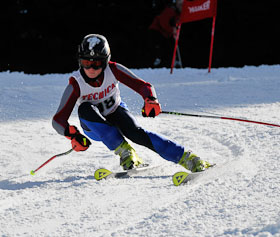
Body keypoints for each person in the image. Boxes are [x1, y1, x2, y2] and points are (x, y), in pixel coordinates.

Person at [52, 34, 210, 172]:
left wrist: (150, 100)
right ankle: (126, 152)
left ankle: (188, 158)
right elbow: (58, 120)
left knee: (136, 132)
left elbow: (143, 86)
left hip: (116, 112)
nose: (91, 69)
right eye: (87, 63)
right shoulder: (76, 84)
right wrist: (73, 135)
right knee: (85, 108)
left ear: (105, 62)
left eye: (97, 63)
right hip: (93, 126)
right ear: (80, 62)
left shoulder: (113, 70)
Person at [147, 0, 183, 67]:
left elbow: (176, 23)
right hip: (157, 30)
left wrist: (175, 29)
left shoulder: (179, 13)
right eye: (180, 4)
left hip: (166, 33)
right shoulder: (170, 10)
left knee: (170, 47)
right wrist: (173, 30)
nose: (182, 6)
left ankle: (173, 62)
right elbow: (163, 23)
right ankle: (157, 61)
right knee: (160, 47)